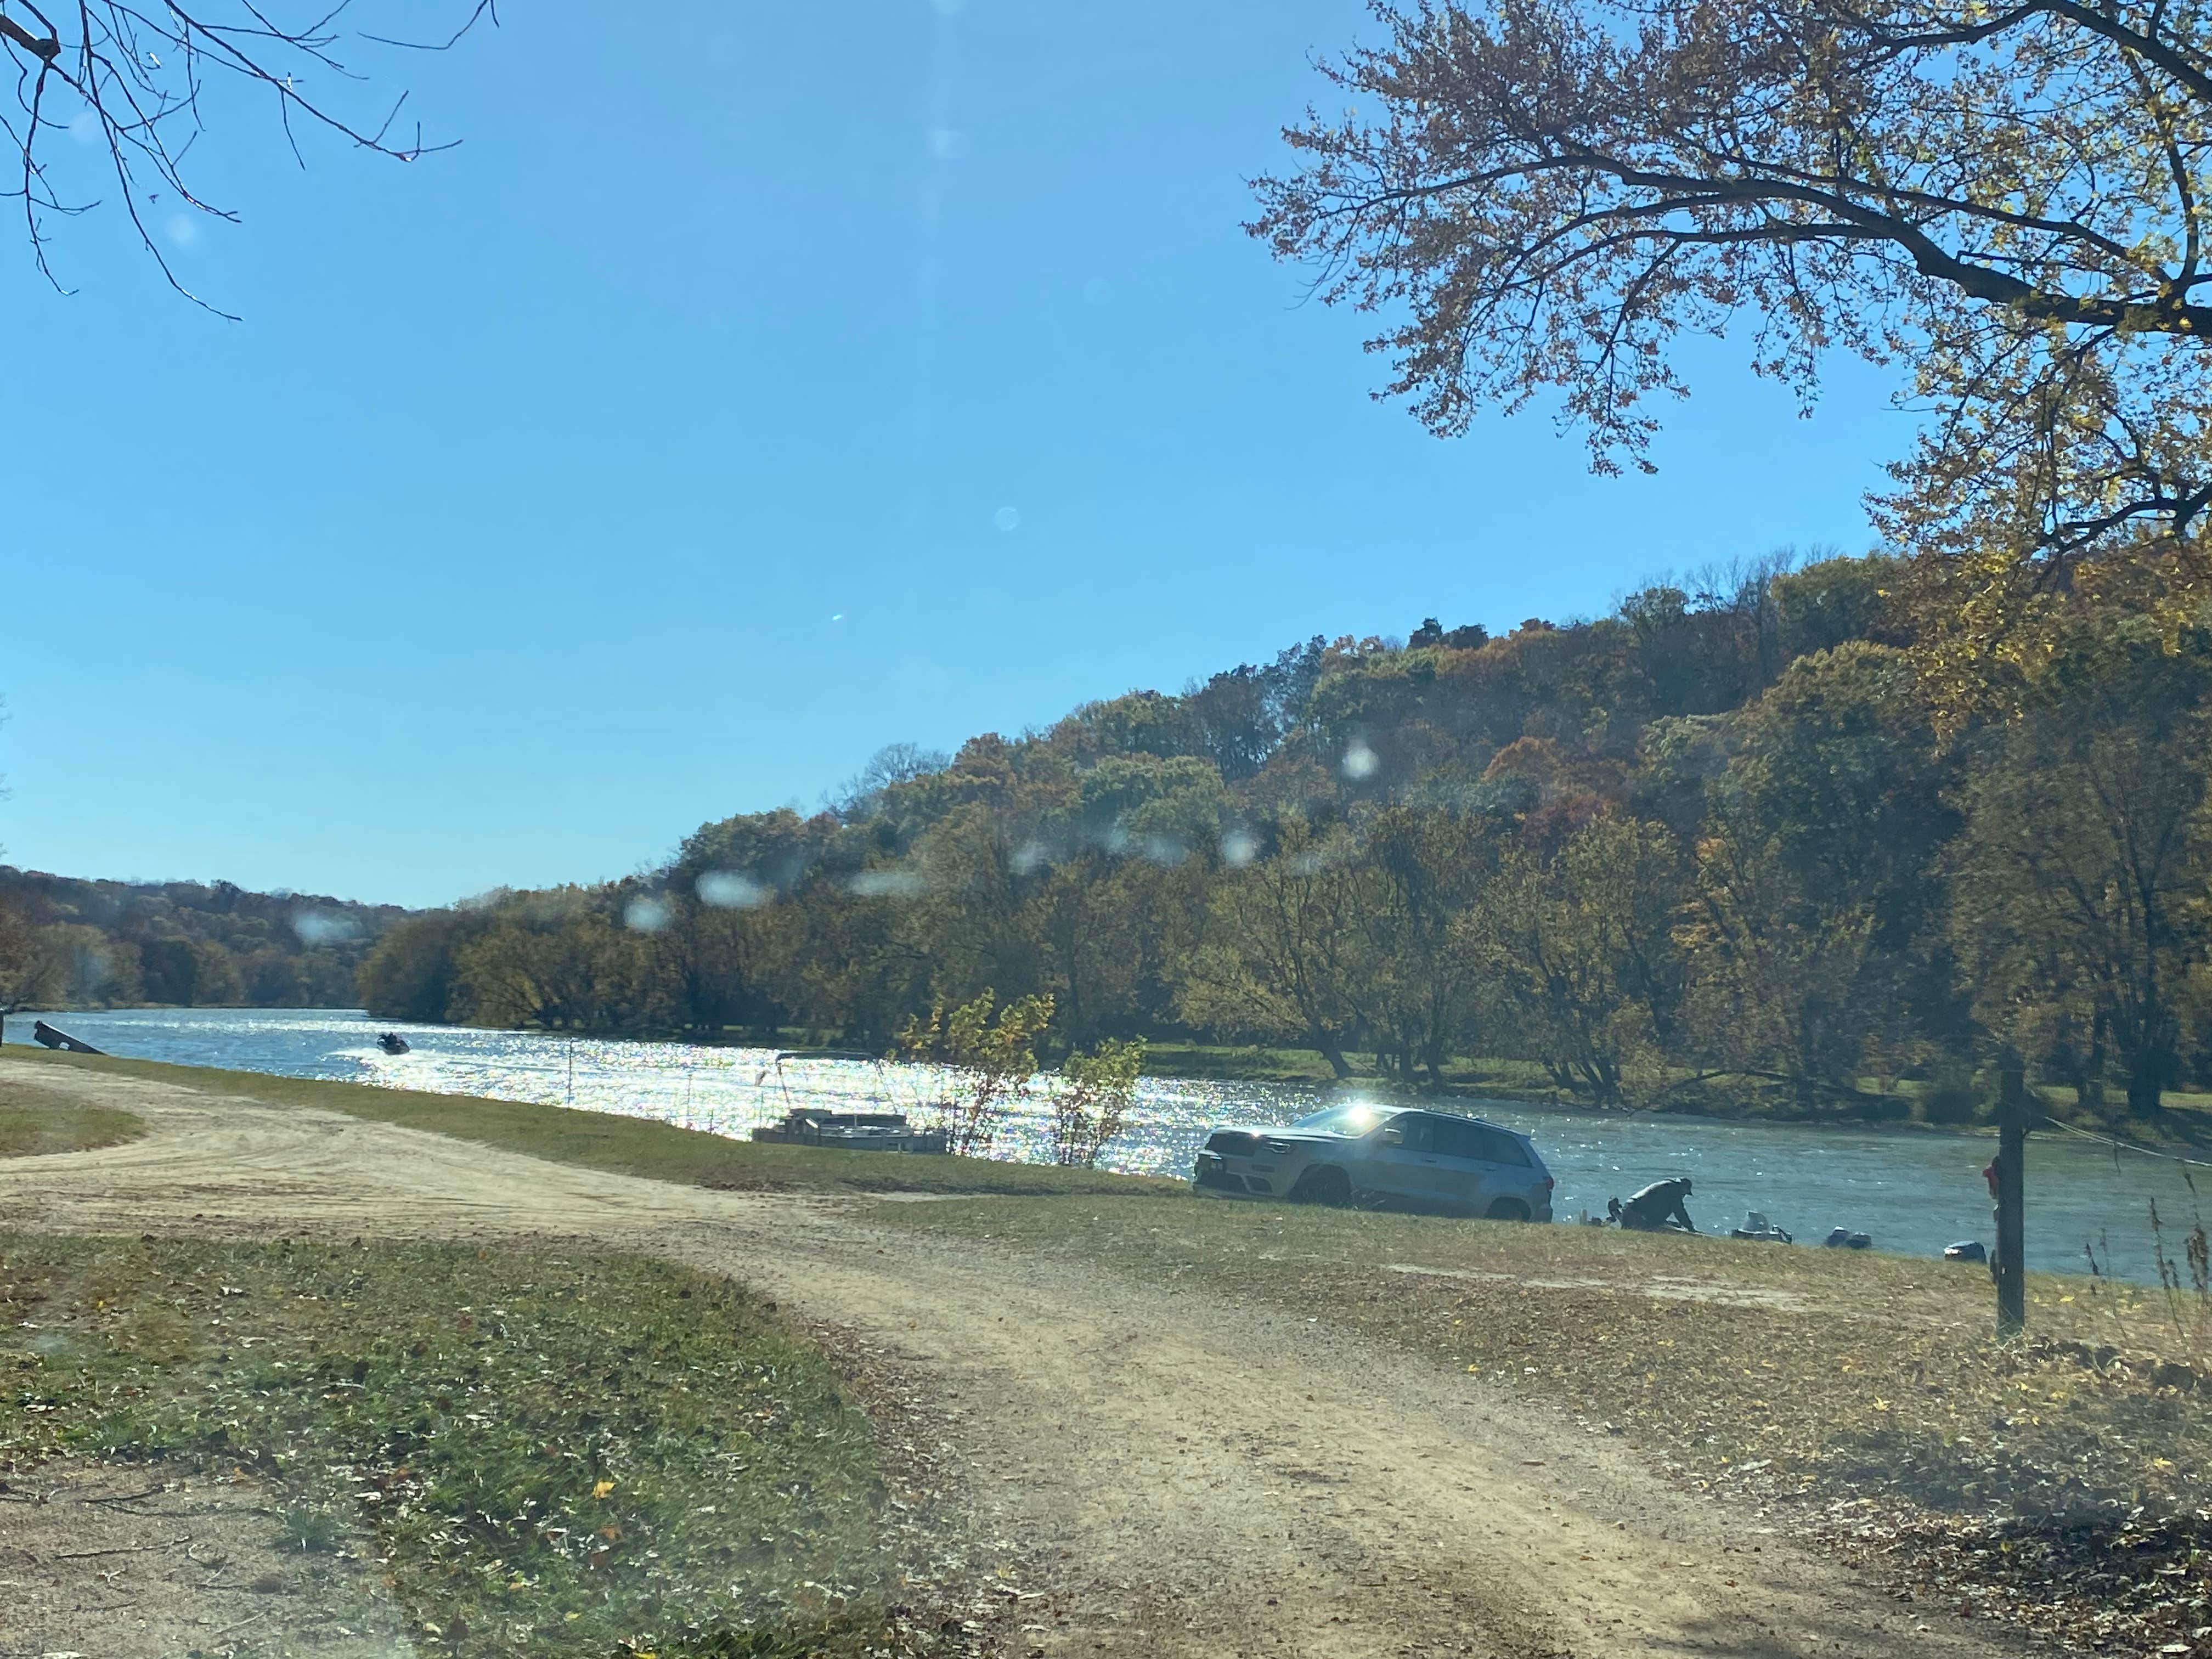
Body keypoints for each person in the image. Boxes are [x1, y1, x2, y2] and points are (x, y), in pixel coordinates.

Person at [1616, 1177, 1697, 1233]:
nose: (1684, 1196)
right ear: (1683, 1188)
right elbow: (1680, 1212)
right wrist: (1690, 1228)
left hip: (1629, 1210)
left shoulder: (1667, 1185)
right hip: (1635, 1214)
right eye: (1685, 1194)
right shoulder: (1675, 1190)